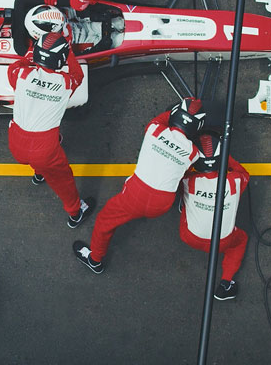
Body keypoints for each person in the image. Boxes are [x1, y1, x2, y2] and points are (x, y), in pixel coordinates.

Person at [73, 98, 205, 274]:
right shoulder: (193, 152)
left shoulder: (154, 129)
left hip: (135, 196)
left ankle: (95, 260)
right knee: (182, 173)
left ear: (174, 115)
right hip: (162, 204)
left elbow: (163, 118)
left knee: (105, 221)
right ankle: (183, 203)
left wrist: (177, 112)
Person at [7, 32, 95, 226]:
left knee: (38, 157)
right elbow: (77, 74)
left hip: (16, 143)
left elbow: (15, 66)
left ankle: (39, 174)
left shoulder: (22, 74)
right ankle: (75, 212)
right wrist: (69, 48)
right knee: (63, 180)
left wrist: (33, 50)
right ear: (60, 59)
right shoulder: (65, 83)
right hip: (44, 148)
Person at [180, 132, 250, 300]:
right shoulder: (235, 180)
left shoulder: (189, 180)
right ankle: (226, 282)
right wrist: (226, 156)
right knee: (241, 240)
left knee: (185, 198)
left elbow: (182, 172)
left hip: (190, 237)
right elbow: (243, 172)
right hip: (223, 241)